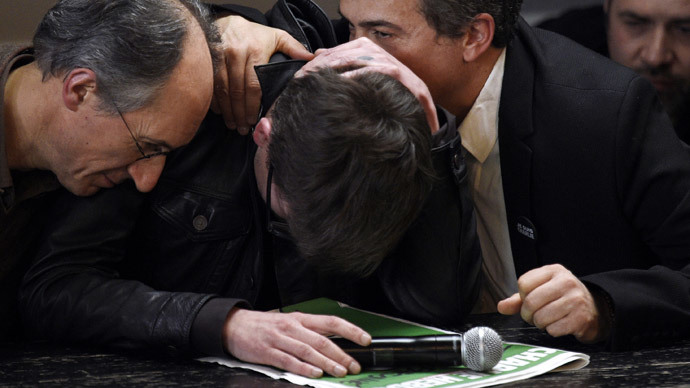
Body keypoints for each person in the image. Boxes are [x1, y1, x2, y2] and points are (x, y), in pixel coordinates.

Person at [19, 3, 481, 378]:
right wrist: (223, 324)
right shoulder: (175, 110)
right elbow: (57, 288)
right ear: (263, 135)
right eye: (287, 213)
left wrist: (436, 139)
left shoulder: (390, 144)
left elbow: (436, 313)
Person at [321, 0, 690, 350]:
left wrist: (603, 305)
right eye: (350, 28)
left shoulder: (602, 111)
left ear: (474, 36)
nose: (353, 55)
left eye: (382, 35)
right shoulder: (354, 103)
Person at [0, 0, 221, 339]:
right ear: (80, 90)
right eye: (147, 147)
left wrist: (242, 25)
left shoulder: (77, 165)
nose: (147, 182)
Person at [539, 0, 690, 144]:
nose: (655, 57)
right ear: (607, 10)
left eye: (685, 29)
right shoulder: (550, 57)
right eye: (635, 24)